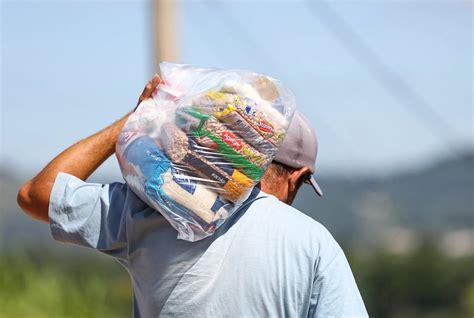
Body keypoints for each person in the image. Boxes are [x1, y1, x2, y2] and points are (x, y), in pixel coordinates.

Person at [17, 75, 368, 317]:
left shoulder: (153, 208)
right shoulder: (313, 243)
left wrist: (135, 119)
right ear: (299, 176)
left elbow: (36, 194)